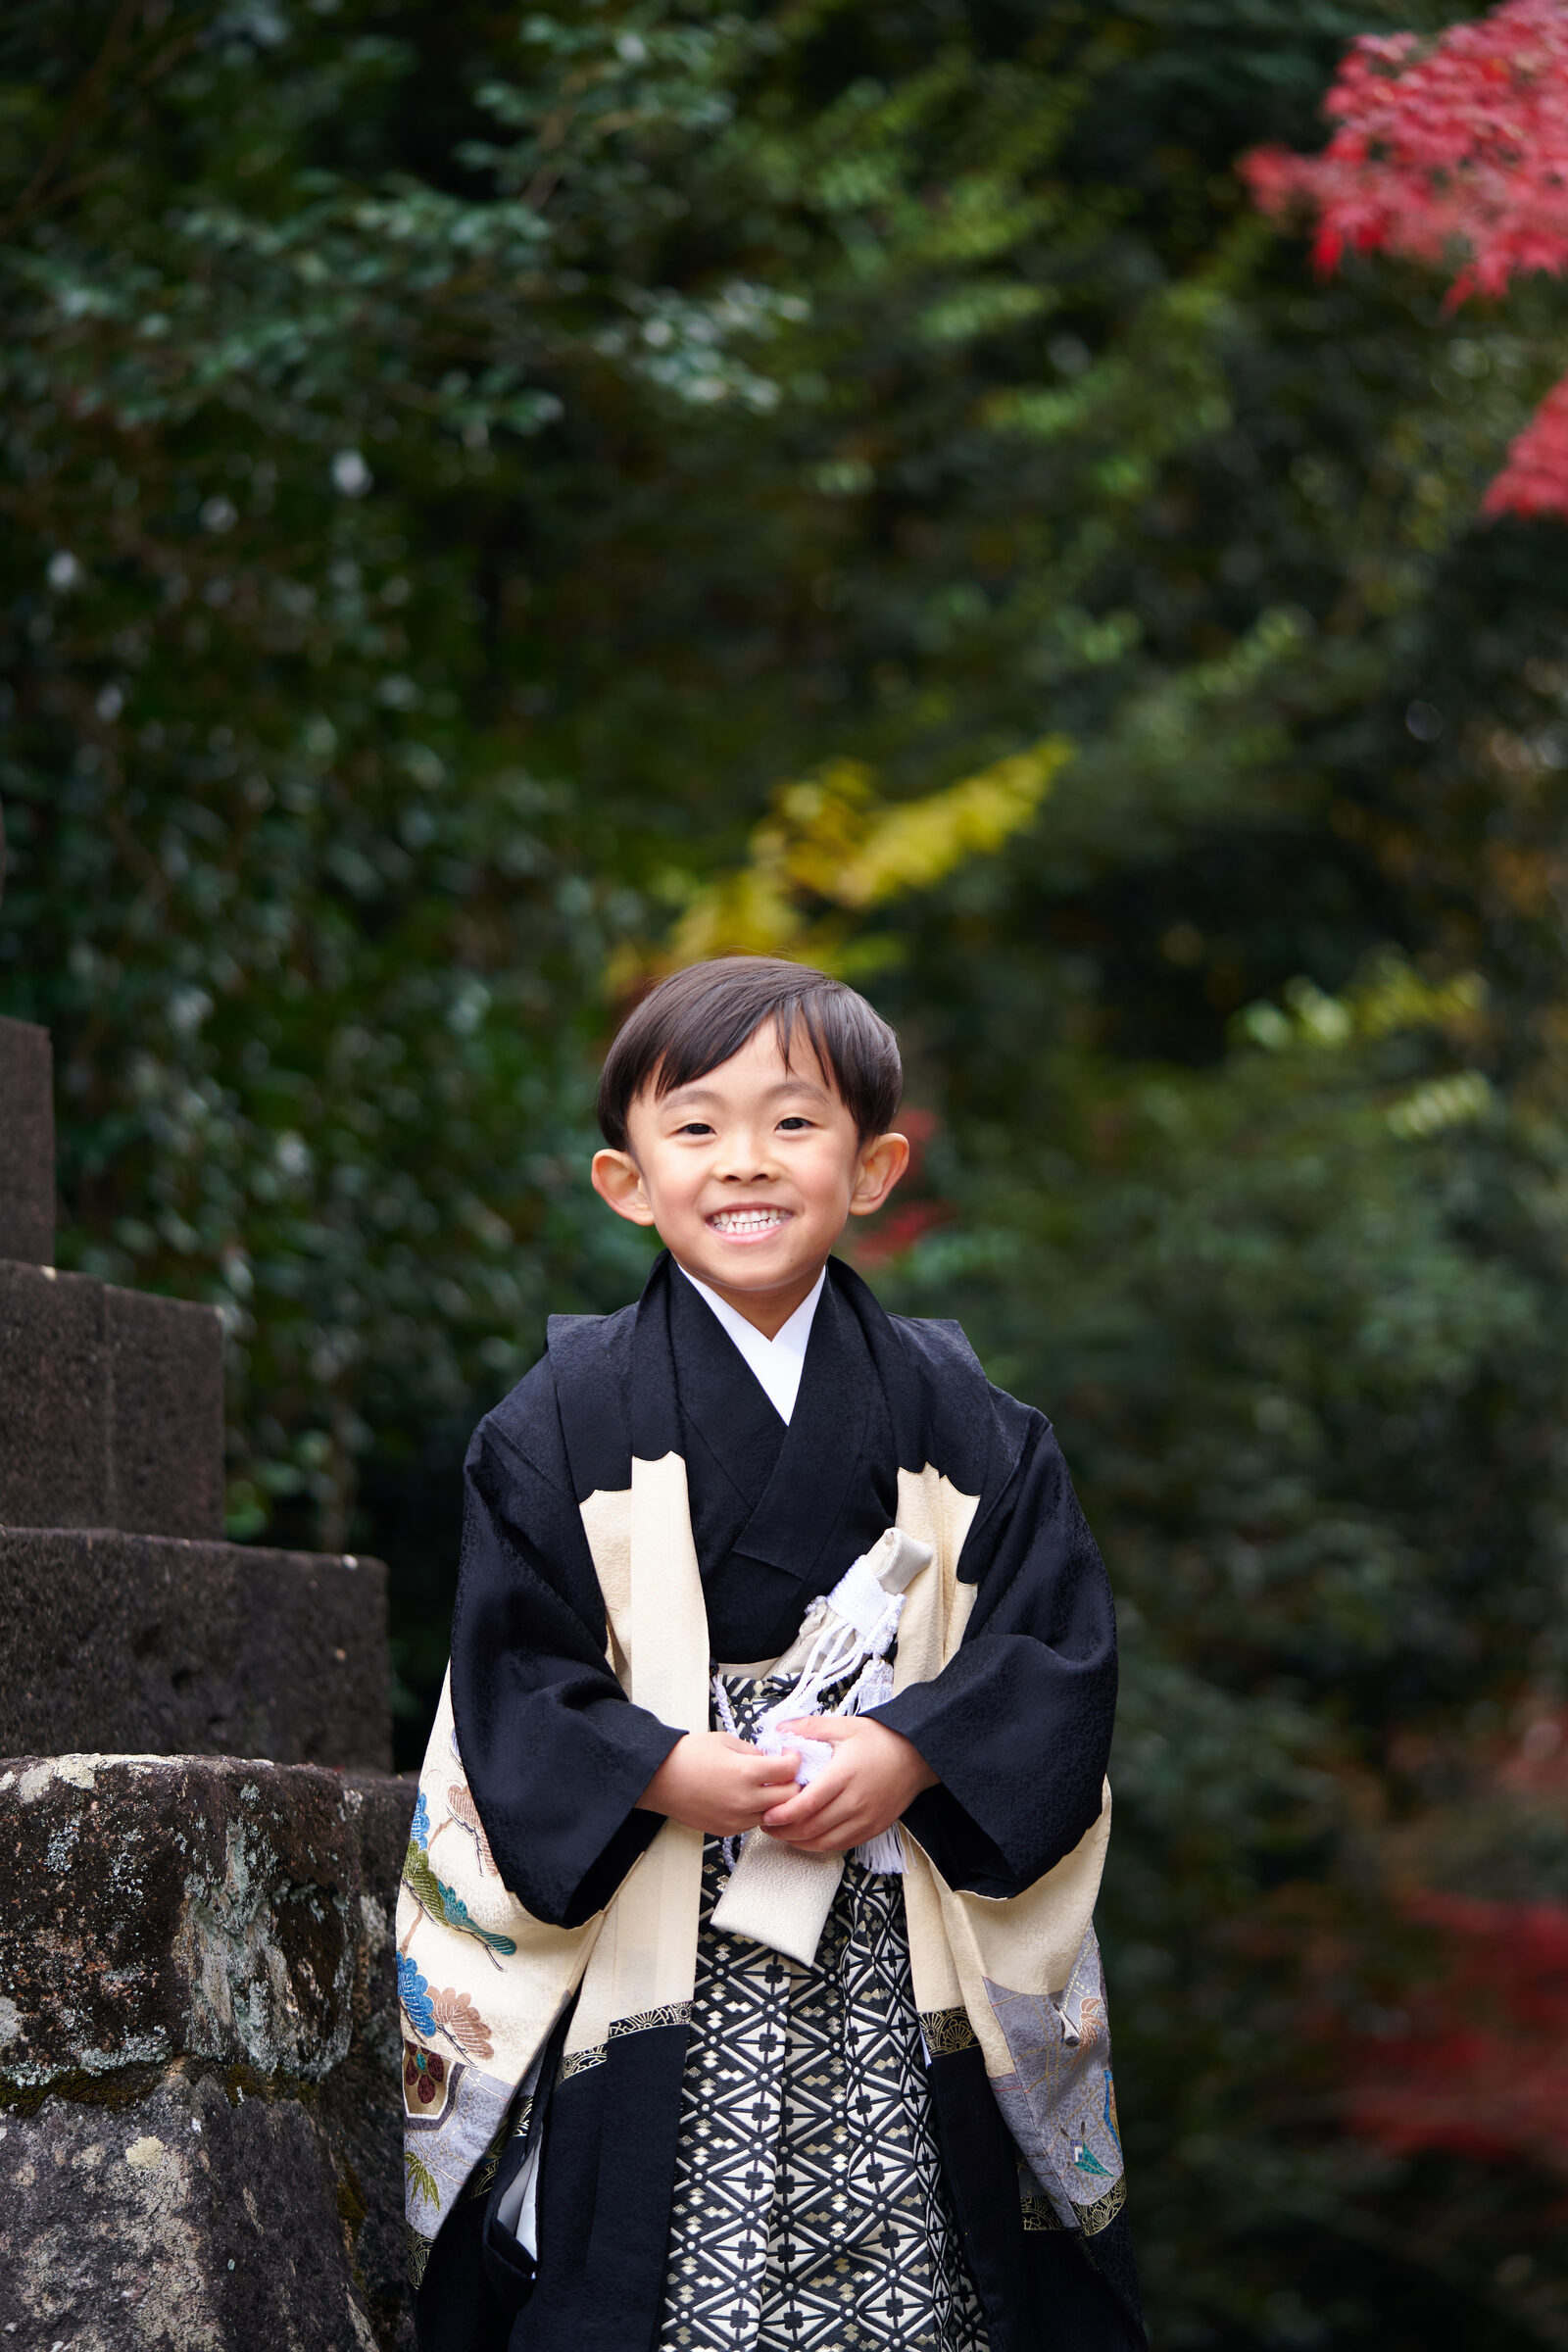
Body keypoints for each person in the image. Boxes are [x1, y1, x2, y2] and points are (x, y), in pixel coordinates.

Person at [398, 955, 1146, 2352]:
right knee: (654, 2282)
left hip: (891, 1916)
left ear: (874, 1167)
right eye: (695, 1127)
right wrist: (661, 1764)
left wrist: (911, 1745)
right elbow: (513, 1677)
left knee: (922, 2275)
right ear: (627, 1178)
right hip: (659, 1916)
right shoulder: (556, 1420)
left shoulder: (968, 1418)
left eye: (795, 1123)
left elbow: (1057, 1647)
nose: (745, 1161)